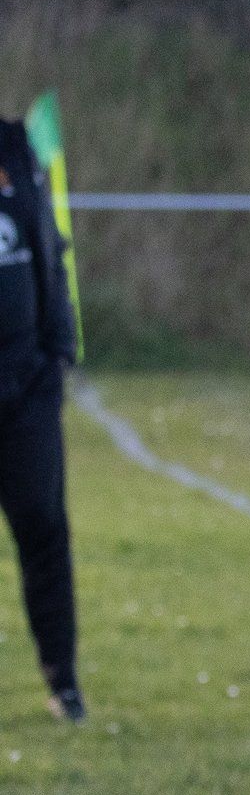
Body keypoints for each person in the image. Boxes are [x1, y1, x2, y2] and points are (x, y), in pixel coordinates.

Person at [0, 109, 83, 724]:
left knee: (44, 532)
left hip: (26, 387)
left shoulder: (17, 148)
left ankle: (64, 684)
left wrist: (57, 352)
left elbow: (51, 250)